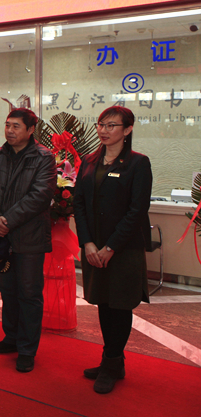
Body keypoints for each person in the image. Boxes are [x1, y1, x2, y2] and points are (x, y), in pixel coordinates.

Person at [73, 106, 152, 394]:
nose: (104, 130)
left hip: (122, 249)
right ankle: (113, 362)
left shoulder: (137, 163)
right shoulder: (89, 161)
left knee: (119, 305)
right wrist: (88, 243)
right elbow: (78, 203)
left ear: (127, 130)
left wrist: (110, 246)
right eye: (101, 124)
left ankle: (111, 364)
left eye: (111, 125)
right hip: (94, 247)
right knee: (104, 303)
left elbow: (137, 211)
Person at [0, 108, 56, 373]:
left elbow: (40, 196)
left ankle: (27, 349)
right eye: (7, 125)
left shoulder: (44, 158)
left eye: (16, 126)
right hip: (1, 237)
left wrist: (6, 221)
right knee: (7, 290)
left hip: (29, 238)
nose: (9, 131)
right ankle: (11, 337)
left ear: (31, 130)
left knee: (29, 293)